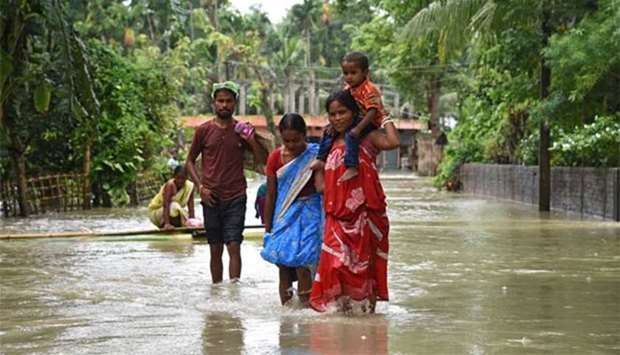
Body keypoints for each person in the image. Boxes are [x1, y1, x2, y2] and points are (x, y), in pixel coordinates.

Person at [309, 90, 400, 313]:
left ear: (354, 113)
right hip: (335, 215)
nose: (337, 118)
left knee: (364, 268)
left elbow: (393, 141)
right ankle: (339, 318)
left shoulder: (367, 138)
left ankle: (366, 321)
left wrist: (383, 114)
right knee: (335, 266)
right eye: (332, 114)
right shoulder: (328, 142)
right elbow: (321, 184)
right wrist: (318, 174)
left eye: (342, 112)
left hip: (365, 215)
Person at [186, 81, 267, 284]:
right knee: (215, 248)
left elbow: (261, 160)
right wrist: (200, 187)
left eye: (228, 101)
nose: (224, 105)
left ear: (235, 103)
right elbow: (189, 162)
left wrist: (250, 140)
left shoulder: (242, 130)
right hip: (210, 196)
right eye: (220, 101)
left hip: (236, 195)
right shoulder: (203, 131)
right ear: (214, 103)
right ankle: (216, 291)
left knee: (234, 245)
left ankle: (234, 292)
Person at [261, 113, 324, 307]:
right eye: (286, 140)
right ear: (280, 136)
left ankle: (306, 309)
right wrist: (268, 226)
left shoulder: (316, 154)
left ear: (304, 135)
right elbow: (271, 194)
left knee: (304, 262)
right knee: (283, 265)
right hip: (284, 213)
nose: (291, 145)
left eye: (296, 140)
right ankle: (286, 313)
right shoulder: (275, 159)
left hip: (311, 214)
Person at [311, 51, 389, 182]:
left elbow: (372, 111)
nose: (349, 77)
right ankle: (321, 159)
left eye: (353, 73)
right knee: (328, 130)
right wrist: (333, 124)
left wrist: (358, 128)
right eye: (346, 73)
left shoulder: (369, 90)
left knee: (351, 135)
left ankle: (352, 166)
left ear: (365, 73)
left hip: (369, 120)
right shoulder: (350, 88)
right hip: (358, 118)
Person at [148, 165, 195, 230]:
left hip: (174, 211)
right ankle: (166, 225)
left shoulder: (190, 186)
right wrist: (167, 224)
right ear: (174, 177)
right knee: (174, 207)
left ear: (187, 178)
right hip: (158, 212)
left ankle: (178, 227)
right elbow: (166, 205)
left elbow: (191, 207)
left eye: (183, 178)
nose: (180, 181)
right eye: (178, 178)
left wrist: (193, 223)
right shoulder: (170, 185)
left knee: (186, 214)